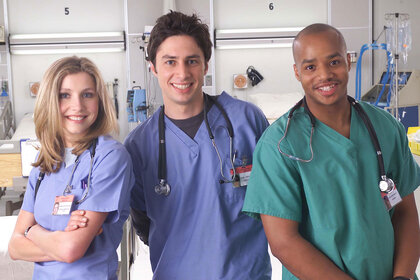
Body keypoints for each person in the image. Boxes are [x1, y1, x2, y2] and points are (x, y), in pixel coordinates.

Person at [242, 23, 420, 280]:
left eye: (334, 61)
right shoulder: (279, 145)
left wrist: (402, 276)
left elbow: (404, 211)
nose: (324, 75)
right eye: (310, 67)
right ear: (297, 72)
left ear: (348, 62)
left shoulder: (386, 127)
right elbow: (283, 243)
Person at [124, 11, 272, 279]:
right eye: (170, 62)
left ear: (205, 65)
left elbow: (274, 199)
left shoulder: (247, 121)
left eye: (192, 61)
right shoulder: (138, 145)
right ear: (153, 67)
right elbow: (142, 221)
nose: (182, 73)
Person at [8, 56, 134, 280]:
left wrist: (32, 231)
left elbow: (70, 250)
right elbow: (15, 248)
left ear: (99, 101)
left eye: (87, 94)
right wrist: (58, 239)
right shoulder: (45, 159)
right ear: (50, 101)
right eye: (65, 95)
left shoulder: (110, 157)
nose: (78, 106)